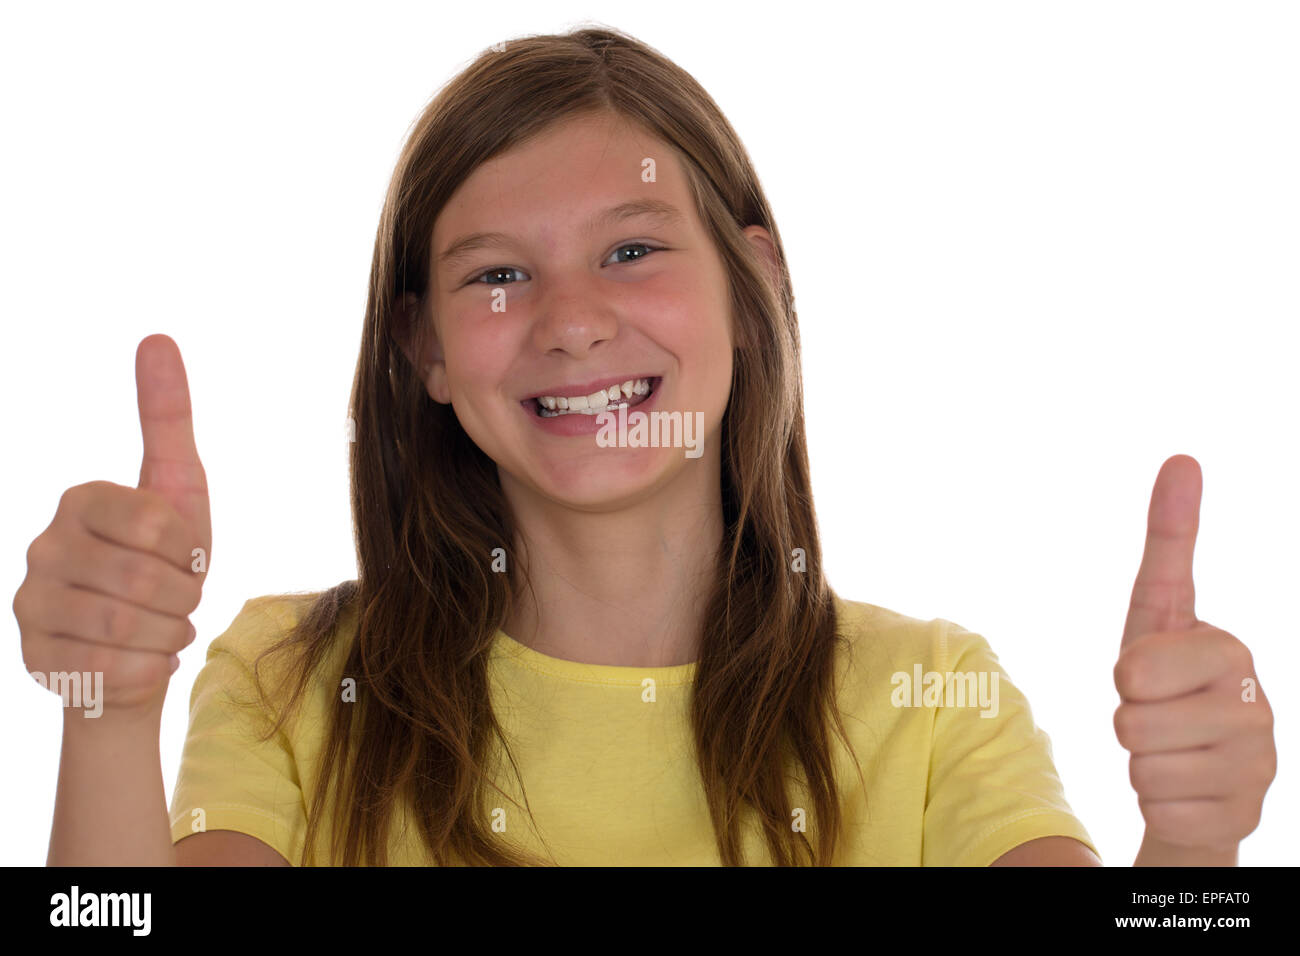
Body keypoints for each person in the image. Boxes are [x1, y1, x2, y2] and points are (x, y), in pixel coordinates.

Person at [22, 26, 1272, 867]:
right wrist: (108, 711)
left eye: (631, 248)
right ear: (426, 349)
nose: (572, 322)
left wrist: (1194, 863)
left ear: (752, 279)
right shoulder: (288, 684)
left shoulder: (933, 702)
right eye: (498, 274)